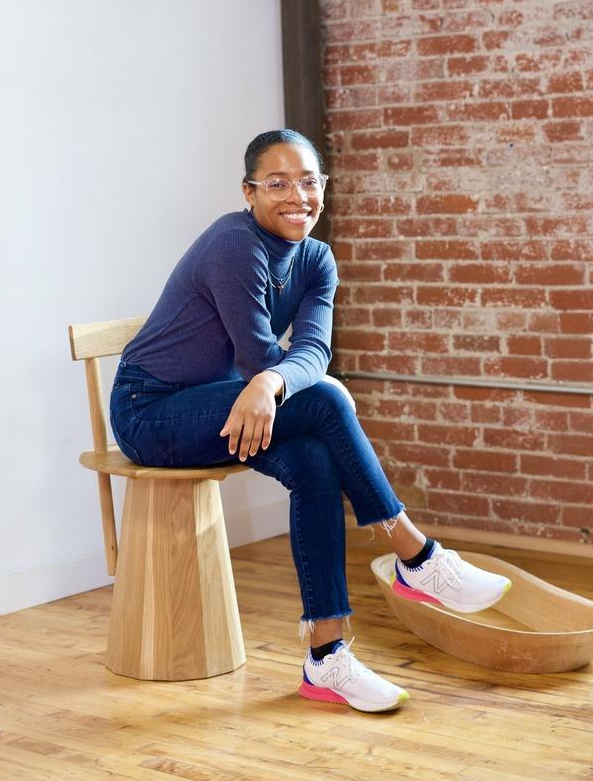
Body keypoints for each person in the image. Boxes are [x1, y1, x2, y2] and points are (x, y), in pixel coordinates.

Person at [110, 129, 510, 713]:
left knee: (316, 460)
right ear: (249, 193)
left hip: (234, 401)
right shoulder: (233, 243)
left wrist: (272, 382)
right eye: (277, 183)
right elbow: (265, 357)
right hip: (153, 410)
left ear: (324, 188)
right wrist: (277, 378)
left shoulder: (318, 258)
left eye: (309, 181)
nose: (297, 195)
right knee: (325, 401)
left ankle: (326, 658)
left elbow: (312, 352)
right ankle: (417, 558)